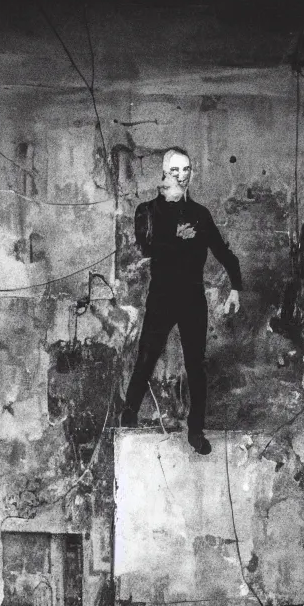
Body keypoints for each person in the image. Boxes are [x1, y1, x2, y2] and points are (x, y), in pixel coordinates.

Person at [121, 148, 242, 455]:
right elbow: (146, 246)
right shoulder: (148, 210)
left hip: (192, 299)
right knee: (147, 356)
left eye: (186, 169)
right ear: (164, 172)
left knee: (196, 365)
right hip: (162, 297)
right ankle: (128, 415)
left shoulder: (200, 214)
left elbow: (222, 249)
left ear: (192, 172)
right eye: (174, 170)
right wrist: (176, 237)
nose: (181, 175)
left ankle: (196, 430)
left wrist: (236, 287)